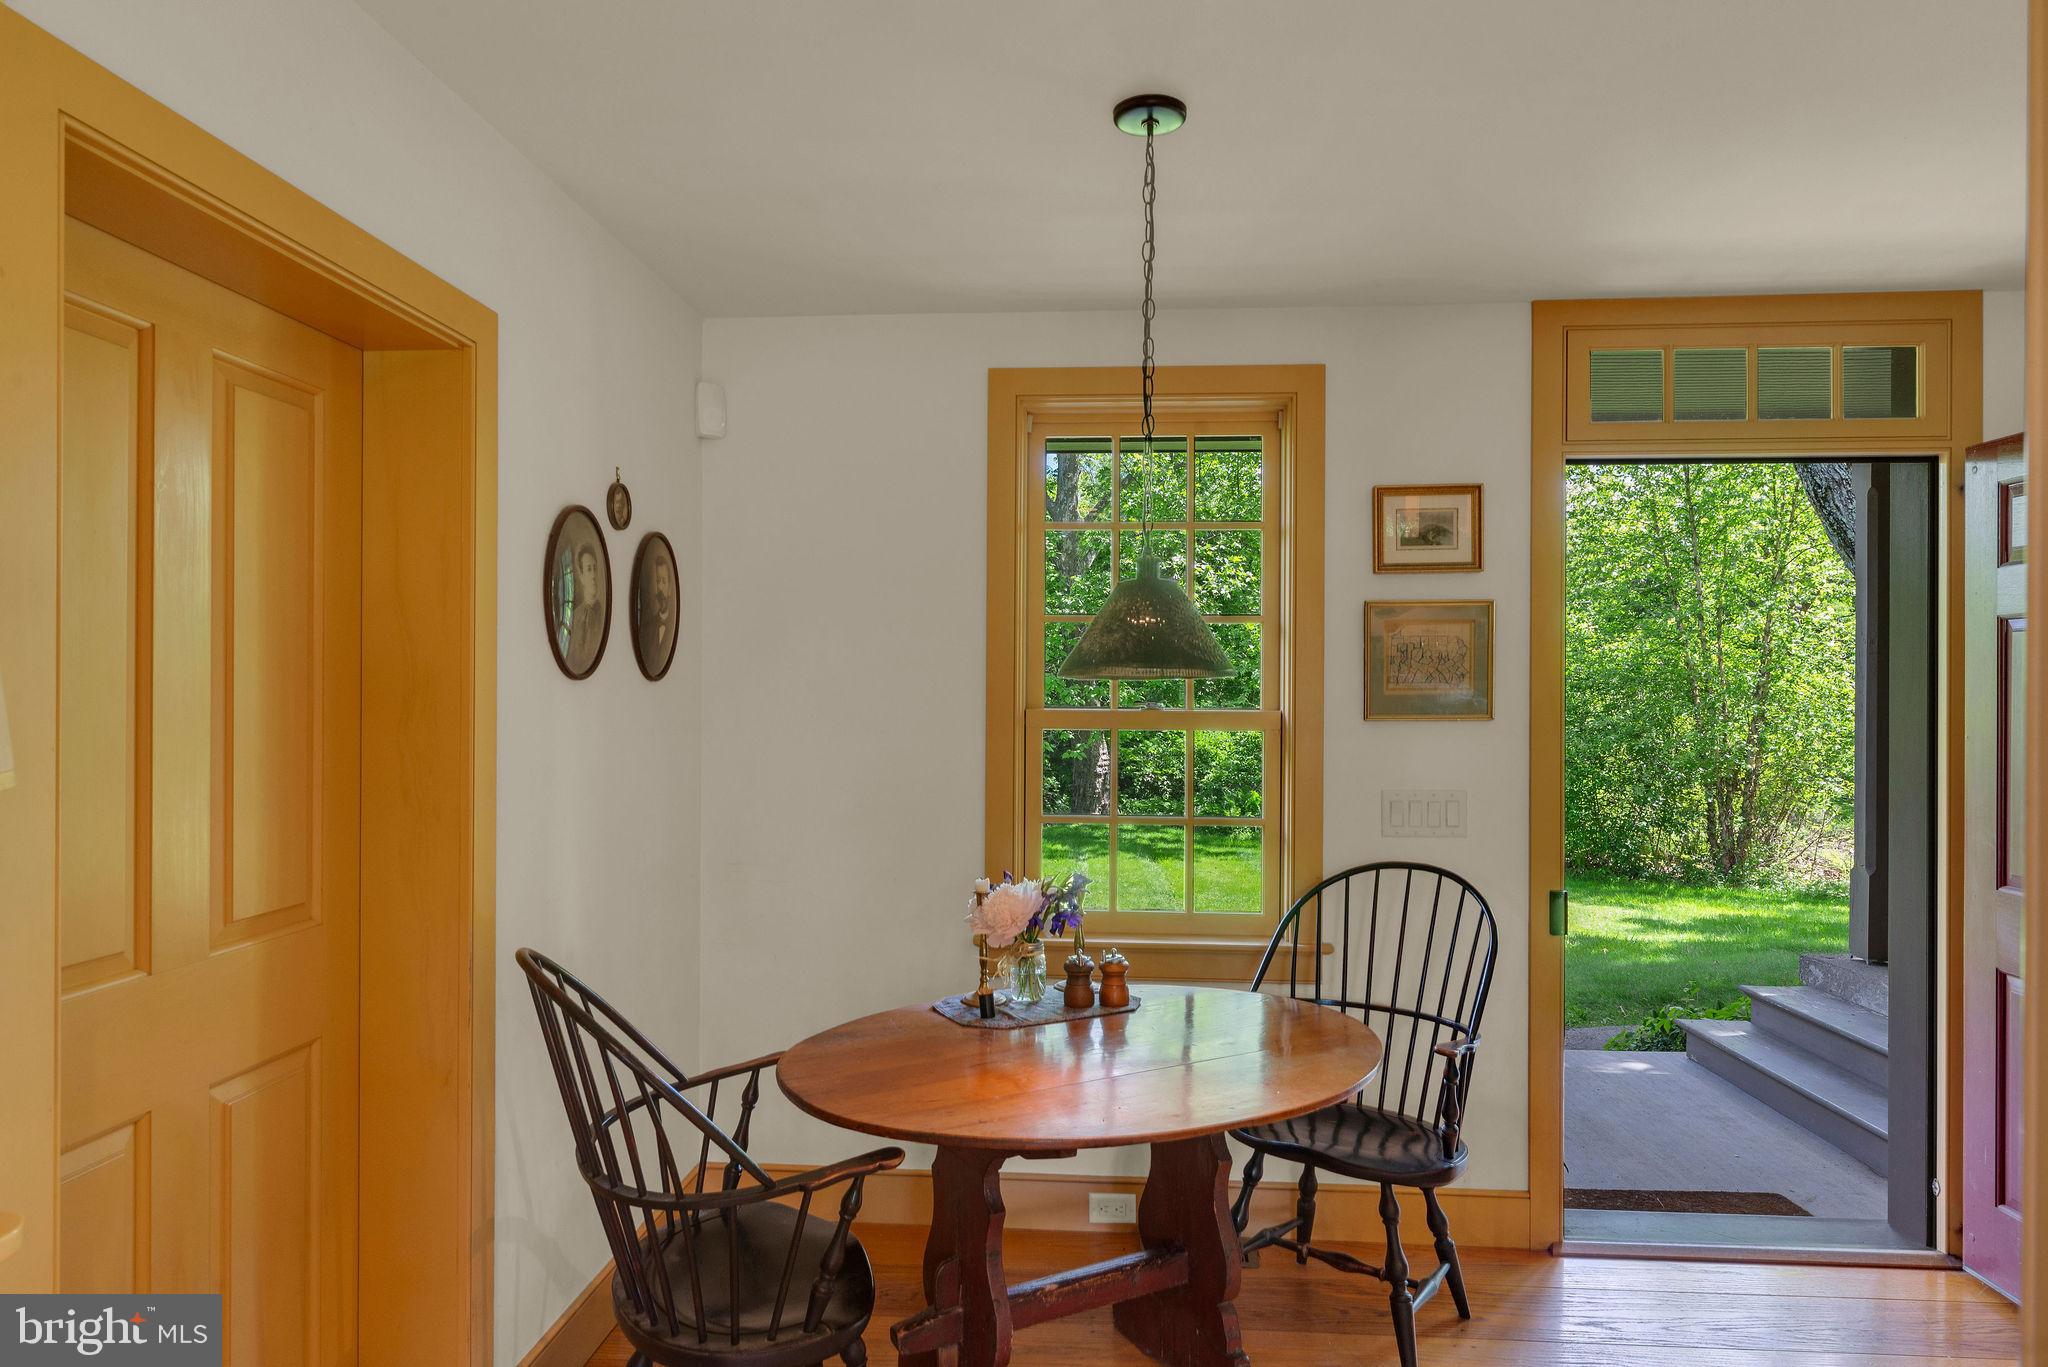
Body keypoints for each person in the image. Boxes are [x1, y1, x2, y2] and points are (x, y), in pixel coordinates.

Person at [566, 541, 605, 667]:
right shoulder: (576, 617)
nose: (593, 575)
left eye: (595, 568)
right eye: (589, 569)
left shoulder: (603, 612)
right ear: (582, 577)